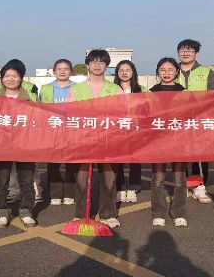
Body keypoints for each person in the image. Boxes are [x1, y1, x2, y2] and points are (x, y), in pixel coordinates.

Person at [67, 49, 124, 229]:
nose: (97, 65)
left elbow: (122, 113)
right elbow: (70, 114)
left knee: (109, 178)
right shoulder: (76, 89)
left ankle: (108, 214)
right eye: (93, 62)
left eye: (101, 62)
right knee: (82, 178)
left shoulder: (115, 89)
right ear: (87, 65)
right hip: (83, 140)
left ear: (107, 66)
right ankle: (81, 214)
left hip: (108, 140)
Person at [0, 60, 39, 228]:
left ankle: (26, 210)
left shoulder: (31, 97)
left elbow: (38, 120)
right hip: (1, 145)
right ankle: (2, 210)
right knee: (1, 180)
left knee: (26, 180)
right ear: (2, 78)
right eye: (7, 76)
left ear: (21, 78)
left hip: (25, 144)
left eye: (15, 75)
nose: (10, 79)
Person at [149, 58, 189, 227]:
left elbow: (191, 114)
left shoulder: (184, 92)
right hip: (157, 140)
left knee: (179, 179)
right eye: (163, 70)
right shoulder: (151, 93)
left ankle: (179, 212)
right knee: (158, 178)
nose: (166, 73)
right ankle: (159, 212)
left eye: (170, 70)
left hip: (179, 139)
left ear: (176, 72)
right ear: (158, 72)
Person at [176, 39, 214, 204]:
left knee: (200, 155)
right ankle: (182, 186)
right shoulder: (172, 70)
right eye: (182, 50)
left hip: (199, 119)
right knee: (179, 153)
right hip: (177, 120)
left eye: (189, 50)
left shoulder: (206, 72)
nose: (185, 53)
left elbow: (213, 95)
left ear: (196, 54)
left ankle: (199, 186)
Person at [40, 59, 78, 206]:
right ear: (54, 71)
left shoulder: (78, 88)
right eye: (59, 69)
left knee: (71, 164)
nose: (62, 71)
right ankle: (55, 193)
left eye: (66, 69)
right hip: (52, 131)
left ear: (71, 71)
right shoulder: (45, 89)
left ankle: (69, 193)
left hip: (72, 130)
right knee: (53, 164)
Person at [113, 60, 147, 203]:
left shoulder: (142, 90)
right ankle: (120, 187)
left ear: (133, 72)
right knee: (118, 160)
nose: (124, 73)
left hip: (136, 129)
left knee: (135, 159)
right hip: (116, 130)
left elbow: (148, 109)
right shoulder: (111, 89)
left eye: (128, 70)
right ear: (117, 73)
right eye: (121, 70)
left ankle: (133, 186)